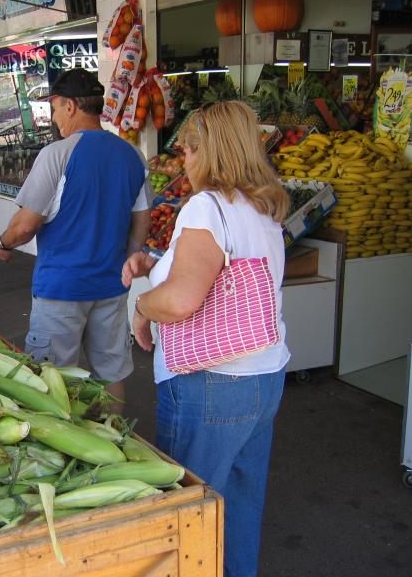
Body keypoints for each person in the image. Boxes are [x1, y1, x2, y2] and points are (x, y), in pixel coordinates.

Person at [121, 100, 291, 577]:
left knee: (190, 510)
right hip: (264, 376)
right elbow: (223, 278)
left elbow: (180, 303)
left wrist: (141, 307)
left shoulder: (206, 206)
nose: (184, 162)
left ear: (205, 152)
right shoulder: (263, 205)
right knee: (238, 503)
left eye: (187, 151)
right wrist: (157, 268)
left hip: (210, 382)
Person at [0, 68, 152, 405]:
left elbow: (25, 226)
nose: (53, 116)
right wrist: (126, 262)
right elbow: (142, 221)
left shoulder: (57, 154)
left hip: (61, 289)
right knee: (111, 373)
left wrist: (1, 243)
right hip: (110, 287)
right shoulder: (131, 155)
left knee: (50, 381)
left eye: (54, 107)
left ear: (71, 106)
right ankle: (116, 444)